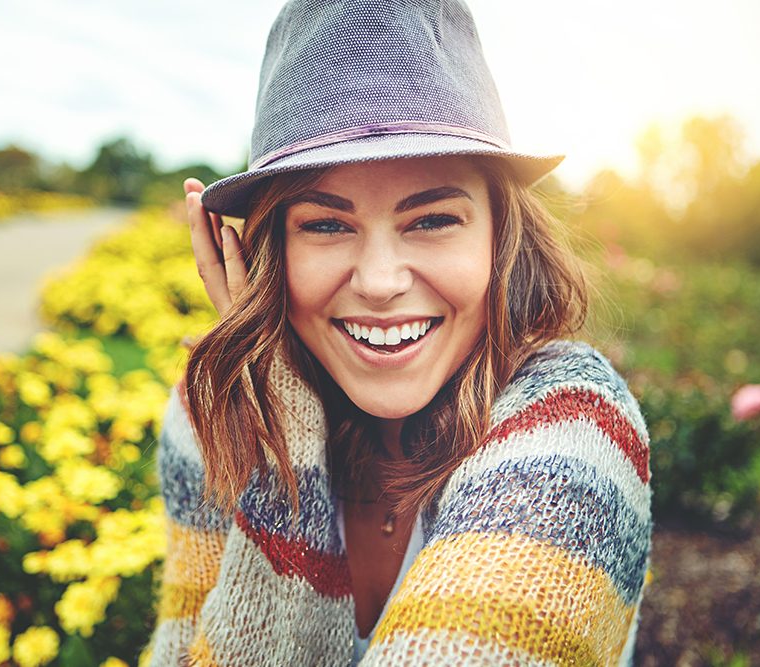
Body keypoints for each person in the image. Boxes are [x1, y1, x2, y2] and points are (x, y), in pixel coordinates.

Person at [148, 1, 651, 665]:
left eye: (432, 220)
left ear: (501, 236)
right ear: (270, 248)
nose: (381, 280)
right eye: (327, 224)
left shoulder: (579, 428)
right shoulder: (209, 415)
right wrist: (280, 430)